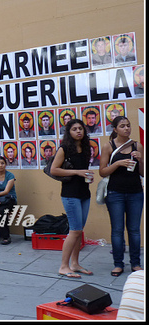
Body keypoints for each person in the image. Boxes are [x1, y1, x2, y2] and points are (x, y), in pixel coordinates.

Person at [99, 116, 144, 277]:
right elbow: (102, 171)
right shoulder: (108, 146)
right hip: (115, 193)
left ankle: (136, 263)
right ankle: (118, 264)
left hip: (136, 192)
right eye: (123, 126)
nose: (127, 128)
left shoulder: (137, 145)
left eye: (128, 125)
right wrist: (118, 163)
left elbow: (143, 173)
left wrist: (141, 161)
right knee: (117, 230)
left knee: (134, 230)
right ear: (115, 129)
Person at [50, 118, 95, 278]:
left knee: (79, 231)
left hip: (84, 193)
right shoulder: (64, 149)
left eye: (81, 128)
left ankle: (75, 264)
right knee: (74, 231)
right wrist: (77, 172)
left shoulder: (86, 148)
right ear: (69, 132)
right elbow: (54, 170)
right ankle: (63, 266)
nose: (78, 131)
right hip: (70, 195)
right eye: (74, 129)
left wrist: (87, 175)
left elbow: (84, 170)